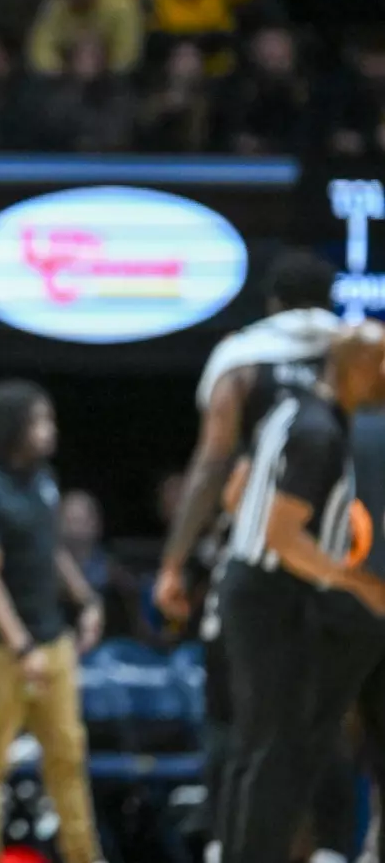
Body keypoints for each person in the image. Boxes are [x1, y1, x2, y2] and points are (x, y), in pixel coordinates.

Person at [154, 249, 339, 862]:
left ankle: (237, 847)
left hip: (261, 565)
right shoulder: (359, 356)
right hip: (347, 565)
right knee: (335, 725)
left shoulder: (244, 357)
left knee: (249, 725)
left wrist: (174, 563)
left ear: (272, 302)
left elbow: (211, 465)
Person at [212, 322, 385, 863]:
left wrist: (328, 523)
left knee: (257, 744)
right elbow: (282, 537)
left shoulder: (289, 407)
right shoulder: (321, 432)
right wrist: (355, 580)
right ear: (357, 365)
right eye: (382, 361)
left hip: (248, 586)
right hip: (272, 595)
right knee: (277, 751)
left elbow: (236, 494)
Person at [0, 380, 104, 863]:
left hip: (53, 641)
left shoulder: (44, 479)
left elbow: (52, 548)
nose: (49, 430)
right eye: (40, 420)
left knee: (68, 758)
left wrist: (85, 600)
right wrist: (21, 646)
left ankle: (83, 855)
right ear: (13, 427)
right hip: (0, 650)